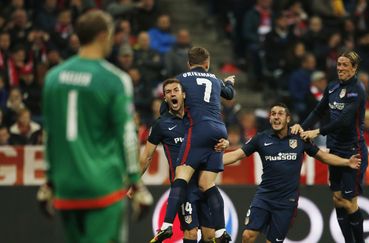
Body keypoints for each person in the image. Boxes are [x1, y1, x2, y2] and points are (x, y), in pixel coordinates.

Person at [38, 10, 151, 243]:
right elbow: (127, 135)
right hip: (102, 186)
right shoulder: (114, 79)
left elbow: (49, 136)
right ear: (103, 35)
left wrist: (49, 180)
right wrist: (136, 182)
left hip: (66, 186)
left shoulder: (53, 78)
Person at [223, 103, 361, 243]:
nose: (276, 117)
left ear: (288, 119)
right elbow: (235, 155)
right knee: (247, 236)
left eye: (280, 114)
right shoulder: (261, 138)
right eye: (273, 114)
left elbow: (323, 156)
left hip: (286, 202)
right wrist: (210, 161)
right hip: (264, 197)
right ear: (269, 119)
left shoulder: (300, 139)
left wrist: (346, 162)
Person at [150, 47, 235, 243]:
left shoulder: (182, 79)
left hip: (199, 130)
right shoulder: (214, 79)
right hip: (220, 130)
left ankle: (166, 225)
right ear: (207, 63)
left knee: (181, 176)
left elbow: (167, 106)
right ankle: (222, 231)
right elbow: (229, 94)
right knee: (208, 184)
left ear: (188, 64)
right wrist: (229, 81)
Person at [135, 79, 229, 242]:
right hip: (184, 188)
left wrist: (225, 142)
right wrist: (134, 182)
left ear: (184, 94)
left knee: (209, 235)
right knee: (191, 233)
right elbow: (147, 156)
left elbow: (215, 142)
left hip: (203, 183)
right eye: (168, 92)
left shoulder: (199, 120)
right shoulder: (161, 124)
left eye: (175, 90)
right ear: (165, 98)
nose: (172, 94)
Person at [291, 51, 368, 243]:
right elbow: (319, 110)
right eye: (339, 64)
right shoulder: (332, 87)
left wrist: (317, 132)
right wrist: (304, 125)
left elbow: (344, 120)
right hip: (335, 149)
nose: (340, 68)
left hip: (353, 150)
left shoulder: (357, 90)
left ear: (354, 68)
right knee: (337, 198)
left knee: (350, 202)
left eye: (345, 65)